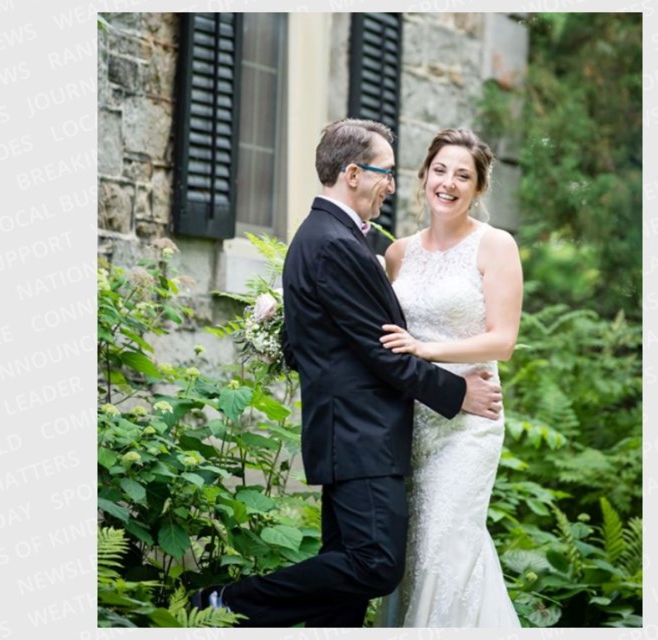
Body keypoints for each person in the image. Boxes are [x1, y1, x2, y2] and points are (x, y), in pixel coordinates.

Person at [190, 119, 504, 627]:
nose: (393, 185)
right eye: (386, 172)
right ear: (353, 173)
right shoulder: (333, 241)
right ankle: (227, 602)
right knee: (375, 565)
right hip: (360, 432)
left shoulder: (331, 236)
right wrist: (456, 392)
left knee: (344, 595)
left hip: (354, 432)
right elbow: (381, 350)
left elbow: (306, 343)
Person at [374, 128, 523, 627]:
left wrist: (426, 349)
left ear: (478, 189)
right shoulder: (399, 254)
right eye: (440, 170)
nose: (449, 183)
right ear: (422, 177)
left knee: (446, 540)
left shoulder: (495, 246)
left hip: (469, 421)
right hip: (412, 419)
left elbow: (502, 340)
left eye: (463, 175)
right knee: (416, 547)